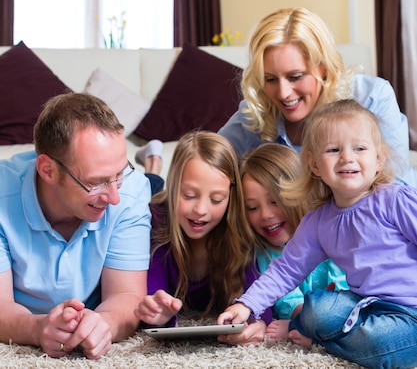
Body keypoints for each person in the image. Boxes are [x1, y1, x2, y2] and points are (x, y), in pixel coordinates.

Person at [218, 99, 417, 369]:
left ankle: (326, 343)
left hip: (410, 312)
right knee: (317, 309)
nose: (347, 157)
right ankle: (340, 340)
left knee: (383, 344)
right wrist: (246, 305)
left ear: (379, 158)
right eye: (334, 150)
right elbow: (286, 269)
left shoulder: (395, 199)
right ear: (313, 164)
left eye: (359, 148)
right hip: (361, 306)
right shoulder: (319, 221)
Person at [0, 92, 151, 359]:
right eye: (96, 181)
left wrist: (104, 323)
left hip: (92, 306)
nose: (114, 197)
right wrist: (37, 328)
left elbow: (127, 294)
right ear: (47, 170)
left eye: (119, 174)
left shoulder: (130, 192)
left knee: (159, 190)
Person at [218, 6, 416, 186]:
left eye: (295, 77)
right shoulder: (256, 113)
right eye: (270, 79)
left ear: (323, 68)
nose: (284, 93)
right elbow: (208, 166)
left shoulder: (372, 97)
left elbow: (396, 187)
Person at [135, 130, 272, 345]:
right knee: (147, 185)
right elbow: (152, 294)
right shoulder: (155, 219)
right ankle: (153, 162)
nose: (200, 210)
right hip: (157, 201)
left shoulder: (239, 228)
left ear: (230, 198)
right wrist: (157, 313)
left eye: (216, 199)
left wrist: (259, 323)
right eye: (189, 195)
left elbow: (260, 296)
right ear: (174, 187)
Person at [233, 142, 348, 344]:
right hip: (313, 312)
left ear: (298, 193)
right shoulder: (265, 252)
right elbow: (285, 298)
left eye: (275, 201)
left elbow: (348, 281)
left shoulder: (329, 230)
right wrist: (305, 315)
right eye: (252, 207)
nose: (266, 215)